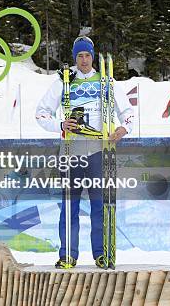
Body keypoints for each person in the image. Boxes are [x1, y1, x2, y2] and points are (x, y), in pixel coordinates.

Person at [35, 36, 135, 268]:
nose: (83, 60)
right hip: (71, 150)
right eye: (79, 56)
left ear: (93, 56)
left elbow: (127, 111)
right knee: (70, 206)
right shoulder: (64, 81)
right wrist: (60, 124)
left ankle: (101, 253)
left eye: (87, 55)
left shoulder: (106, 81)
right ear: (74, 57)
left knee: (100, 206)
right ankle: (68, 254)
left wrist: (124, 128)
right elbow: (41, 112)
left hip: (100, 150)